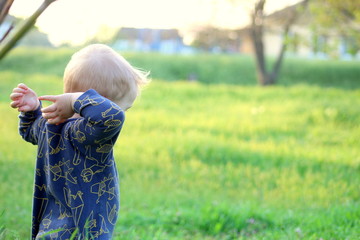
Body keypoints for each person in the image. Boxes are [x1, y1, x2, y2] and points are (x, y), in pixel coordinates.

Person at [9, 44, 149, 239]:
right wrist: (77, 99)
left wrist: (31, 111)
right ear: (97, 102)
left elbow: (29, 131)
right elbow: (112, 116)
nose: (123, 114)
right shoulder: (90, 133)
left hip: (50, 228)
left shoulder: (51, 125)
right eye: (125, 108)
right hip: (87, 229)